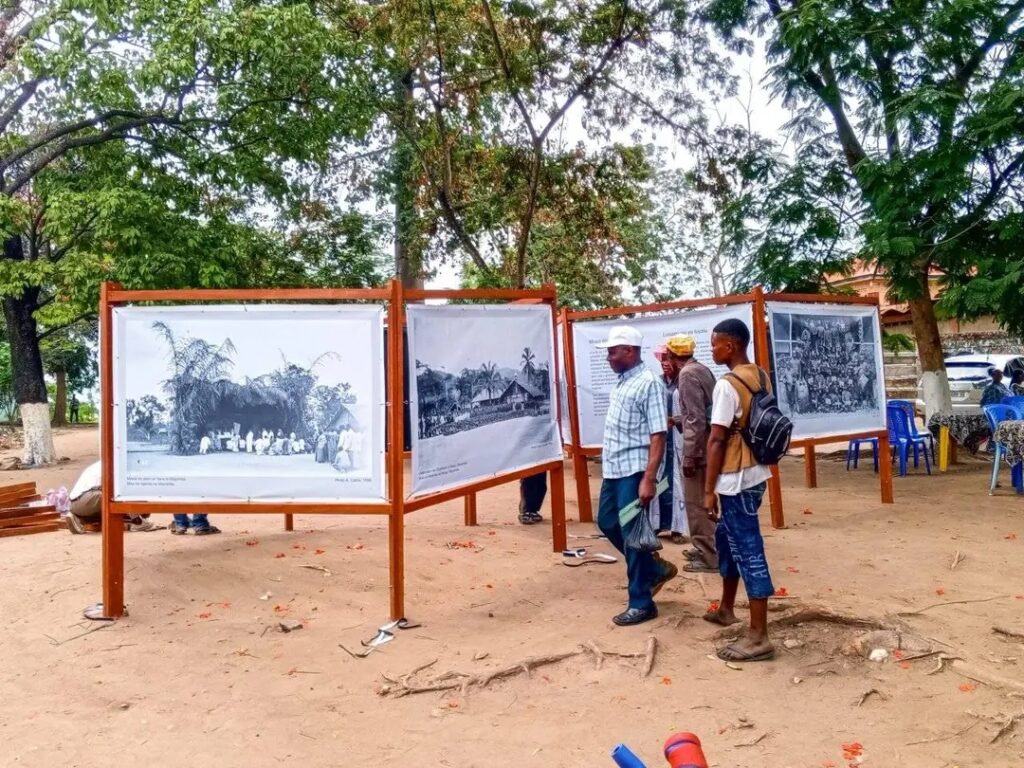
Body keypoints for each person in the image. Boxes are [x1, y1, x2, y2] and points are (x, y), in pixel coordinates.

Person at [703, 318, 776, 663]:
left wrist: (708, 490)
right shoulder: (760, 375)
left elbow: (716, 439)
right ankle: (726, 608)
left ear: (730, 346)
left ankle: (759, 635)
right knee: (727, 539)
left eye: (715, 343)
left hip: (735, 477)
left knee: (748, 549)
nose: (712, 349)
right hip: (758, 472)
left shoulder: (726, 385)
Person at [594, 325, 676, 627]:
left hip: (634, 471)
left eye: (613, 352)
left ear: (630, 351)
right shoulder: (623, 382)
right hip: (614, 470)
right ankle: (654, 571)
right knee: (607, 522)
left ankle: (641, 602)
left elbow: (658, 434)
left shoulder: (648, 383)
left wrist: (649, 478)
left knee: (632, 536)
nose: (609, 357)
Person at [665, 334, 718, 573]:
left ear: (672, 356)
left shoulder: (686, 375)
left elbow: (695, 418)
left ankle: (709, 555)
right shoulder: (702, 369)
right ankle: (705, 547)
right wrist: (677, 420)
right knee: (701, 502)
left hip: (699, 449)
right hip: (707, 444)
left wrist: (689, 455)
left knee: (696, 503)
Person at [66, 461, 162, 534]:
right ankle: (138, 523)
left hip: (77, 504)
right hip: (87, 499)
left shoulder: (105, 462)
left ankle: (80, 519)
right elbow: (121, 493)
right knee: (114, 497)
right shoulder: (114, 465)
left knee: (117, 506)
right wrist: (136, 516)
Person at [652, 345, 687, 544]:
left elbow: (692, 411)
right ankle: (658, 523)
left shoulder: (684, 382)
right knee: (659, 479)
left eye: (668, 359)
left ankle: (677, 527)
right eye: (662, 360)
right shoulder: (657, 382)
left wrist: (675, 420)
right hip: (661, 438)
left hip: (678, 437)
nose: (665, 364)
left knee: (677, 481)